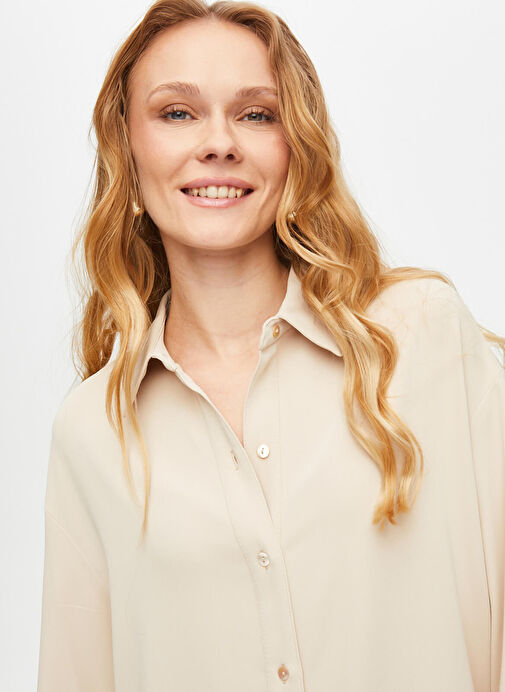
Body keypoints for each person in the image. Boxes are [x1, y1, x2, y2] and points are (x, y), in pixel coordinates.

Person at [37, 1, 505, 690]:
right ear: (127, 154)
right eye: (177, 113)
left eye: (256, 114)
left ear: (295, 149)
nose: (218, 142)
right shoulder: (92, 429)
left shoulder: (420, 336)